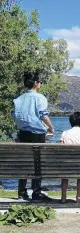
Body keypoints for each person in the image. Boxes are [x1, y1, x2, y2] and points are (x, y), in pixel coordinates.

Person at [12, 71, 54, 201]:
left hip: (23, 135)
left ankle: (21, 192)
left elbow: (14, 116)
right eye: (39, 81)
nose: (40, 83)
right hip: (38, 135)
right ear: (36, 83)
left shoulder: (18, 99)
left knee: (23, 164)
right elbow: (43, 115)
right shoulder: (40, 98)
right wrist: (51, 128)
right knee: (38, 165)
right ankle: (36, 192)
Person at [59, 112, 80, 203]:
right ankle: (78, 196)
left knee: (64, 176)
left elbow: (60, 150)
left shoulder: (64, 133)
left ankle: (64, 197)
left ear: (71, 123)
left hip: (66, 165)